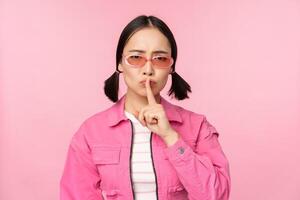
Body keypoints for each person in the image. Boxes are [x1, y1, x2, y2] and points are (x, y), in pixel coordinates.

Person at [60, 15, 231, 200]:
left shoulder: (197, 127)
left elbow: (216, 195)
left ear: (171, 66)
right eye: (135, 57)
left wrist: (171, 137)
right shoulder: (91, 132)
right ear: (120, 63)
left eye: (159, 58)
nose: (148, 69)